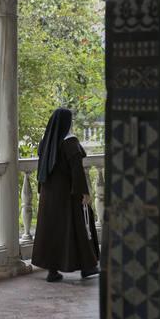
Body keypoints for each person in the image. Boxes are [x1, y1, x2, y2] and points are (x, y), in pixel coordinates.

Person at [31, 107, 100, 282]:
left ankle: (52, 271)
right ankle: (88, 267)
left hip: (49, 195)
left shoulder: (46, 141)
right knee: (79, 226)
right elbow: (77, 171)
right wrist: (83, 193)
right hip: (68, 194)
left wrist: (41, 190)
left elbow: (42, 169)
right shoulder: (70, 142)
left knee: (53, 231)